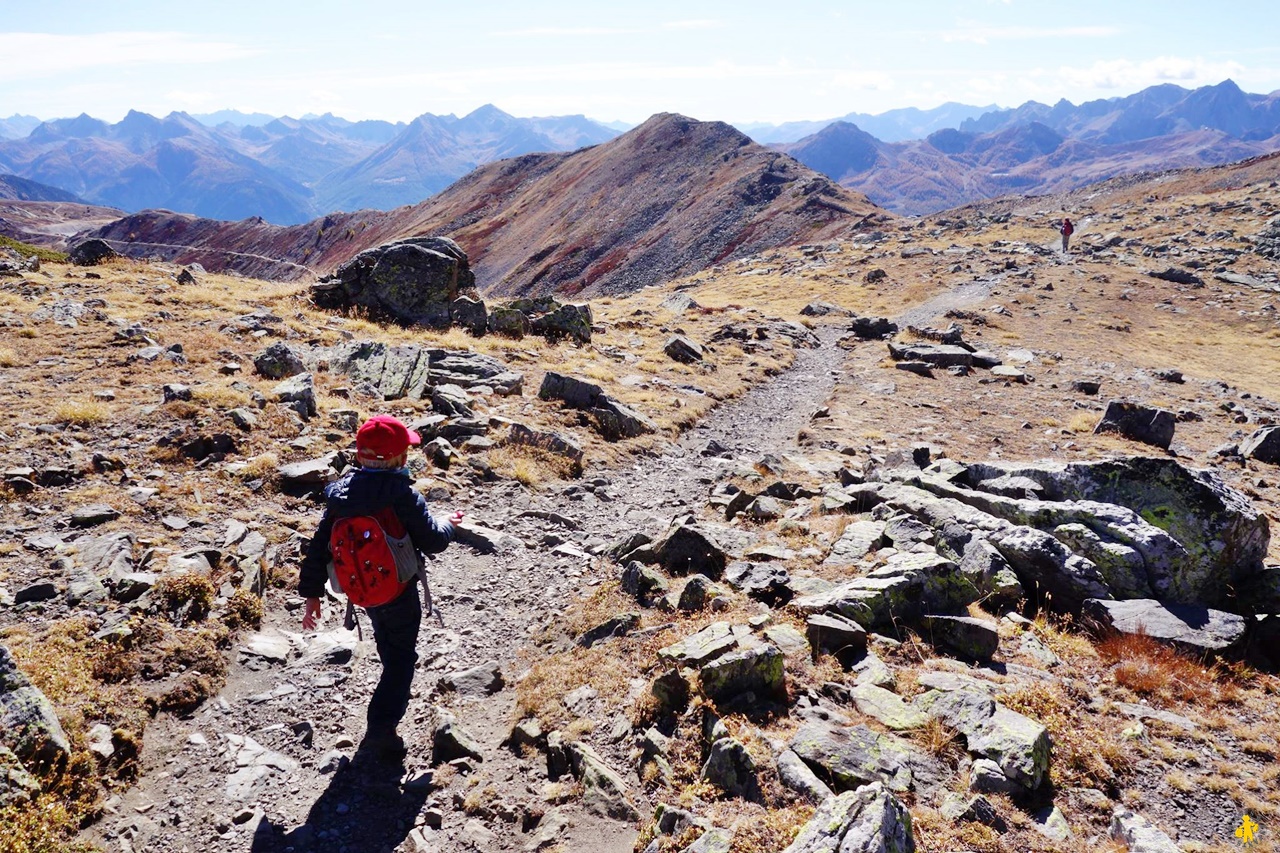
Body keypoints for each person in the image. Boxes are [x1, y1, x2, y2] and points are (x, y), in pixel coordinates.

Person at [298, 415, 461, 760]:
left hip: (365, 592)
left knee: (389, 646)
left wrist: (312, 595)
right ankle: (381, 729)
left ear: (359, 456)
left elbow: (318, 547)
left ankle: (387, 697)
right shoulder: (403, 495)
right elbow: (432, 541)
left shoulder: (340, 496)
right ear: (399, 459)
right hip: (400, 591)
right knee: (403, 660)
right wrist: (448, 525)